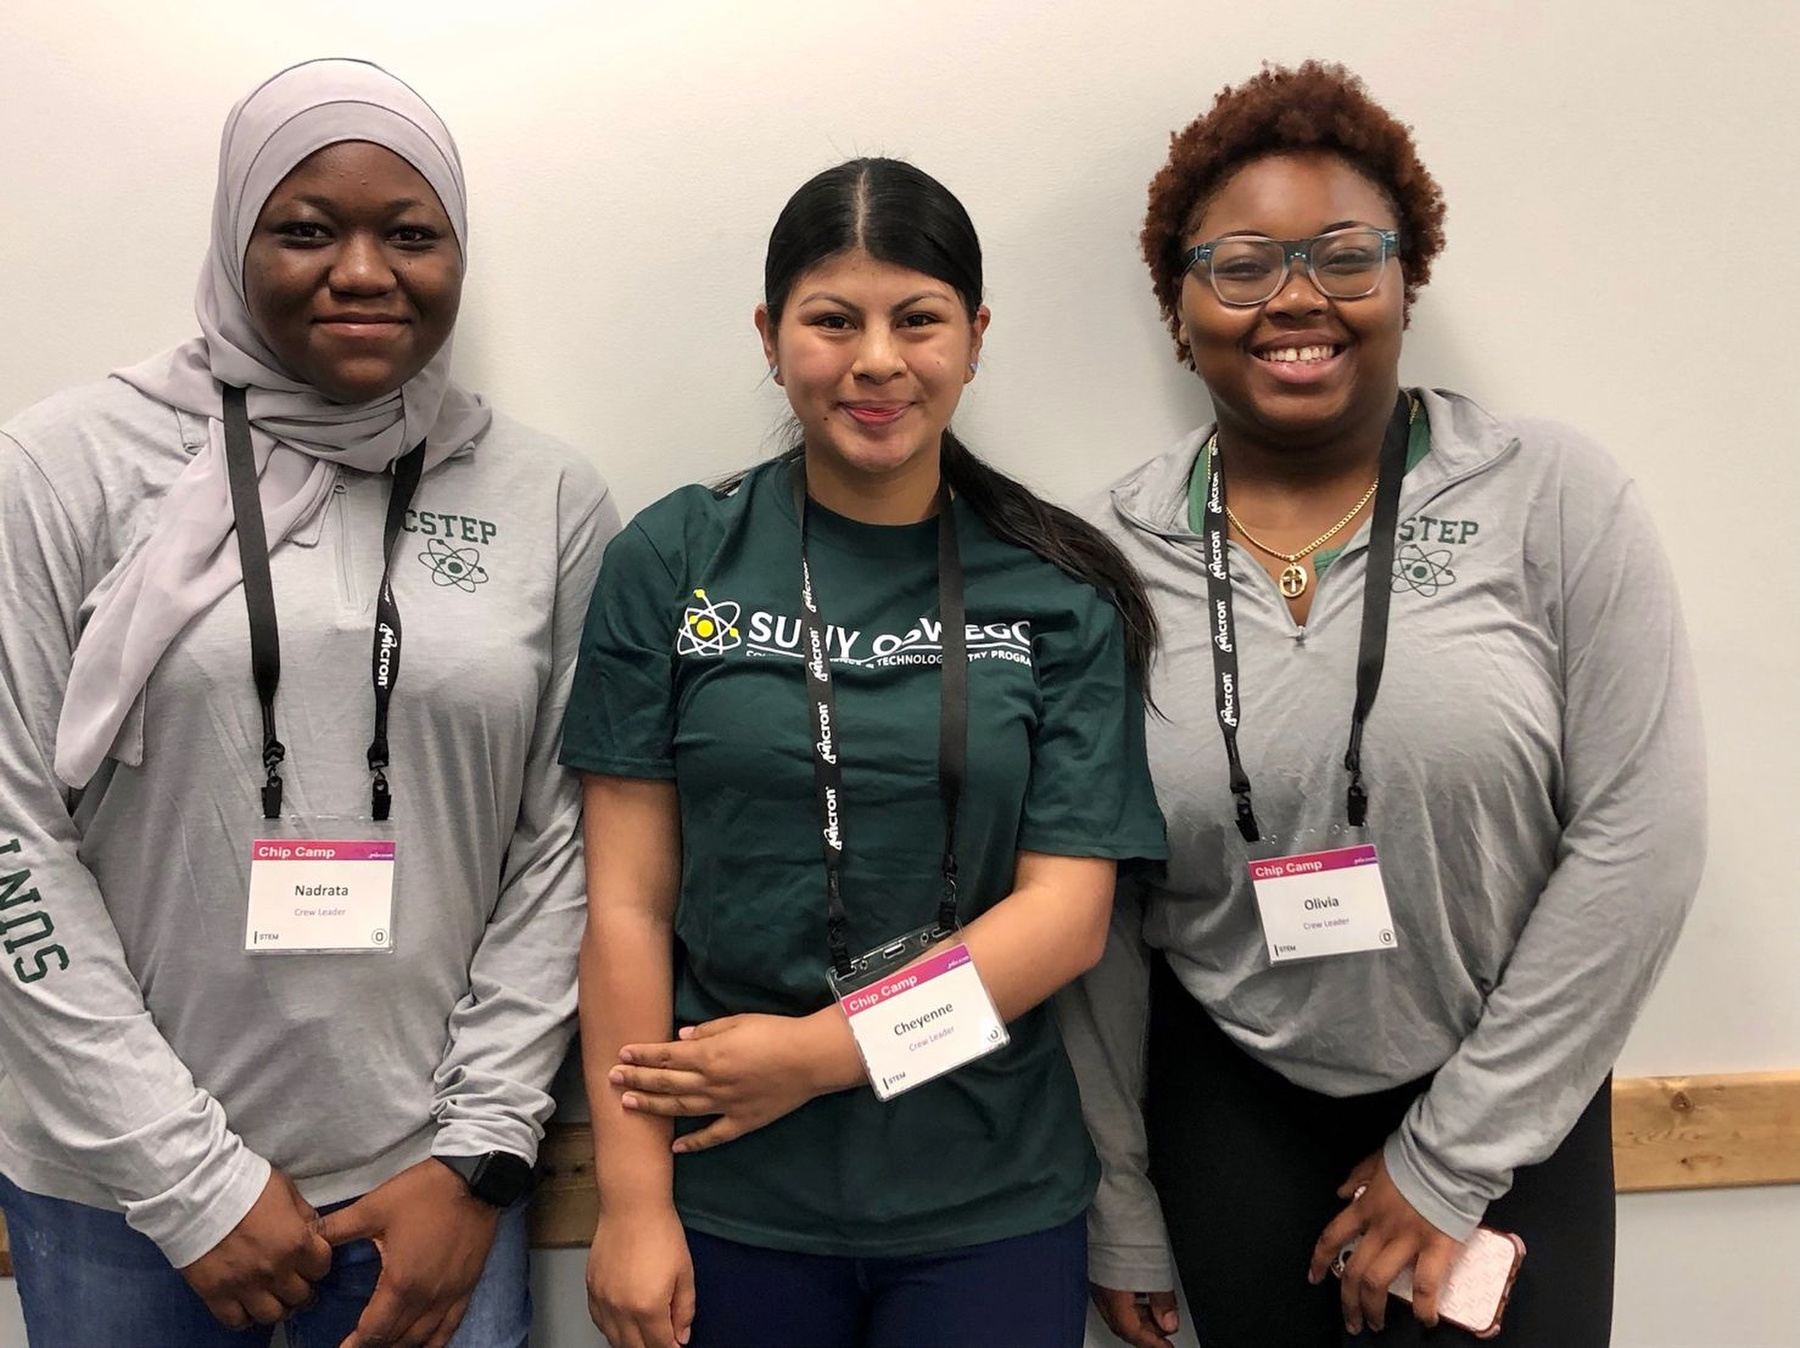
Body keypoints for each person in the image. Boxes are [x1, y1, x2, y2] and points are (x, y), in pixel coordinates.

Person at [1060, 61, 1704, 1348]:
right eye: (1241, 263)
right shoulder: (1103, 559)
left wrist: (1450, 1158)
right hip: (1228, 1101)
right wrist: (1122, 1198)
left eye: (1346, 256)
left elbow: (1644, 840)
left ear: (1408, 282)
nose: (1295, 297)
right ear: (1178, 306)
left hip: (1512, 1103)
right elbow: (1098, 907)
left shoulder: (1553, 498)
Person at [0, 58, 617, 1348]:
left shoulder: (546, 498)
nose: (361, 270)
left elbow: (564, 845)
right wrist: (188, 1180)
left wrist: (482, 1156)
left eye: (410, 233)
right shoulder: (62, 468)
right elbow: (11, 833)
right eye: (305, 229)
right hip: (119, 1190)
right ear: (236, 239)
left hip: (426, 1188)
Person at [560, 156, 1168, 1348]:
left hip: (987, 1197)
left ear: (976, 337)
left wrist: (820, 1055)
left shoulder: (1058, 586)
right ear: (772, 335)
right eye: (833, 320)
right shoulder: (674, 557)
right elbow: (626, 905)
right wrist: (633, 1204)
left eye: (918, 319)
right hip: (730, 1194)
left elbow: (1067, 917)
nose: (877, 359)